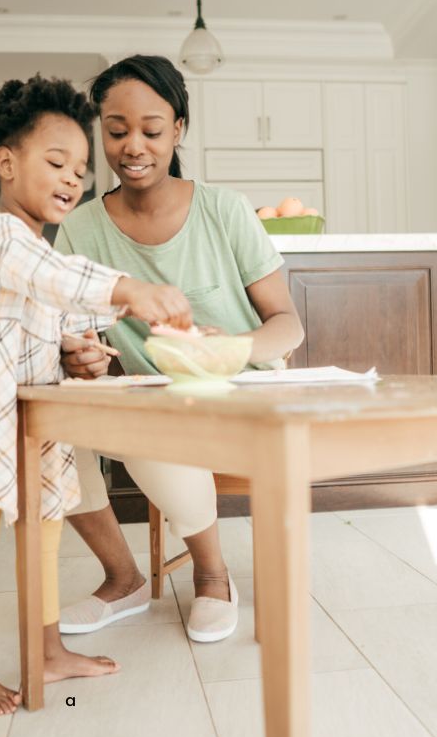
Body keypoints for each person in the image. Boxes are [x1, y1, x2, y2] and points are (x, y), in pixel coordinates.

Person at [0, 75, 193, 716]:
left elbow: (59, 319)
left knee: (43, 538)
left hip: (35, 423)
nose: (74, 180)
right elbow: (53, 277)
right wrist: (130, 290)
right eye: (57, 163)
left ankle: (45, 649)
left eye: (81, 170)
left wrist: (83, 353)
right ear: (7, 164)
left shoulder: (38, 247)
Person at [55, 56, 304, 643]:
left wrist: (235, 347)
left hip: (244, 390)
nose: (133, 146)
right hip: (149, 400)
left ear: (179, 129)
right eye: (116, 132)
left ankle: (212, 575)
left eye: (151, 130)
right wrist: (77, 356)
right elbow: (76, 334)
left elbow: (289, 324)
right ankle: (123, 579)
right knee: (48, 423)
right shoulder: (81, 228)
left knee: (149, 421)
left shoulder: (224, 210)